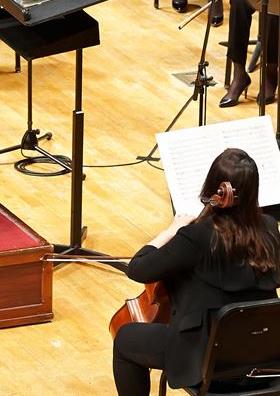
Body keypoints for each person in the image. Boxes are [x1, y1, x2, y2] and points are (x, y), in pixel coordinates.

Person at [112, 147, 280, 396]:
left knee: (125, 339)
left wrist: (171, 230)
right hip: (264, 357)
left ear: (216, 189)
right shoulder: (269, 227)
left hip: (205, 360)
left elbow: (138, 269)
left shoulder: (197, 238)